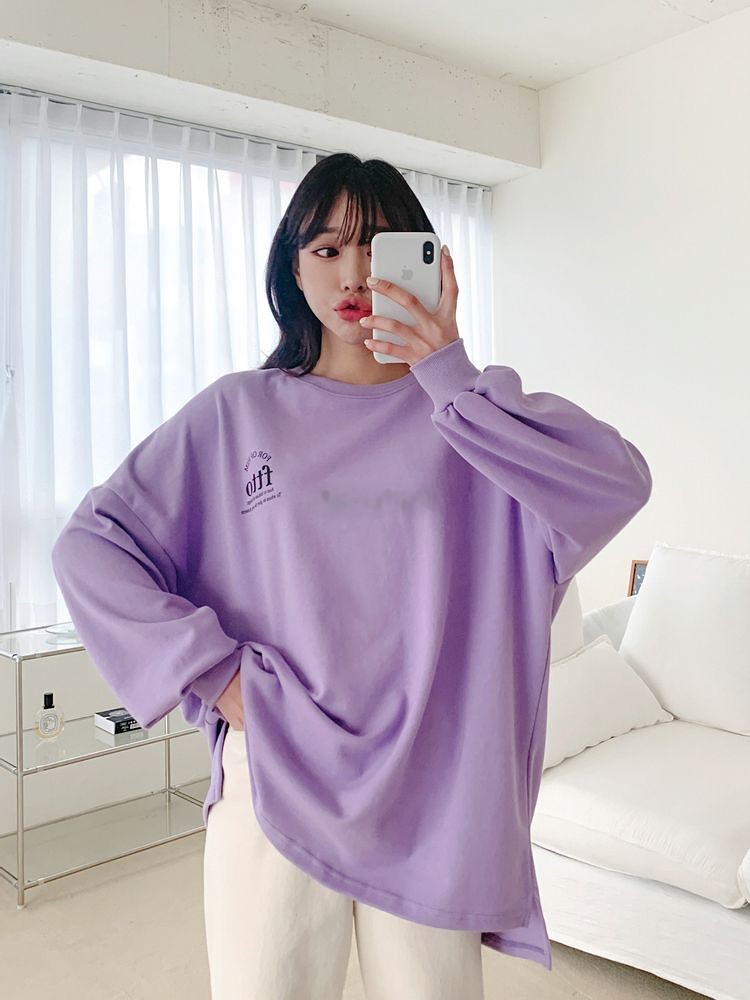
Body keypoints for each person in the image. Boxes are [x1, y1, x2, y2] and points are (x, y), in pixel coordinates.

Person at [51, 152, 653, 999]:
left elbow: (618, 482)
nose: (355, 273)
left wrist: (448, 372)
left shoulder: (473, 416)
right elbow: (93, 544)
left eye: (378, 246)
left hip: (434, 787)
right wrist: (212, 673)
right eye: (327, 249)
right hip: (279, 767)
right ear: (293, 270)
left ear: (429, 262)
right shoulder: (240, 413)